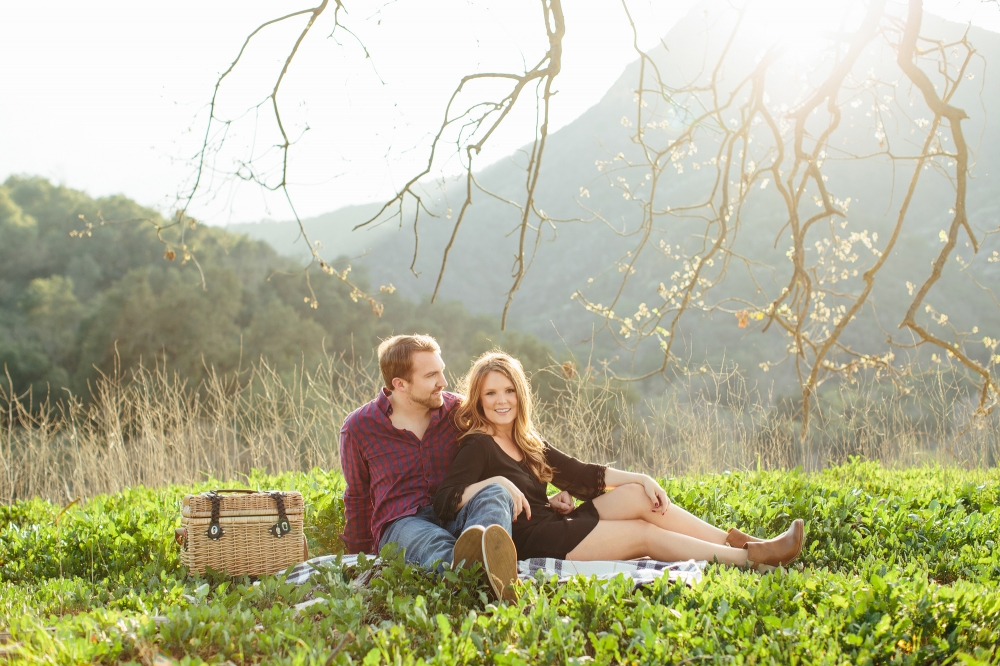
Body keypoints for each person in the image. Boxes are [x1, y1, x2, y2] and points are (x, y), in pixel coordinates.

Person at [433, 352, 804, 571]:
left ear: (520, 394)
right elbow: (445, 500)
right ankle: (750, 561)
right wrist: (492, 484)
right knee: (643, 535)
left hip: (553, 522)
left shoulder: (526, 440)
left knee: (639, 498)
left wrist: (640, 477)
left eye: (509, 391)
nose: (502, 401)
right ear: (479, 400)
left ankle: (746, 542)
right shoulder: (478, 445)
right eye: (491, 393)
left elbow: (579, 474)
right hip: (534, 541)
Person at [339, 335, 519, 600]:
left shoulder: (459, 411)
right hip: (402, 524)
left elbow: (510, 442)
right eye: (431, 376)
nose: (443, 382)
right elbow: (357, 497)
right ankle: (489, 578)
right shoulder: (359, 427)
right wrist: (357, 560)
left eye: (441, 371)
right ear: (400, 384)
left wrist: (544, 493)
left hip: (456, 511)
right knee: (432, 542)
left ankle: (476, 568)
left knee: (495, 493)